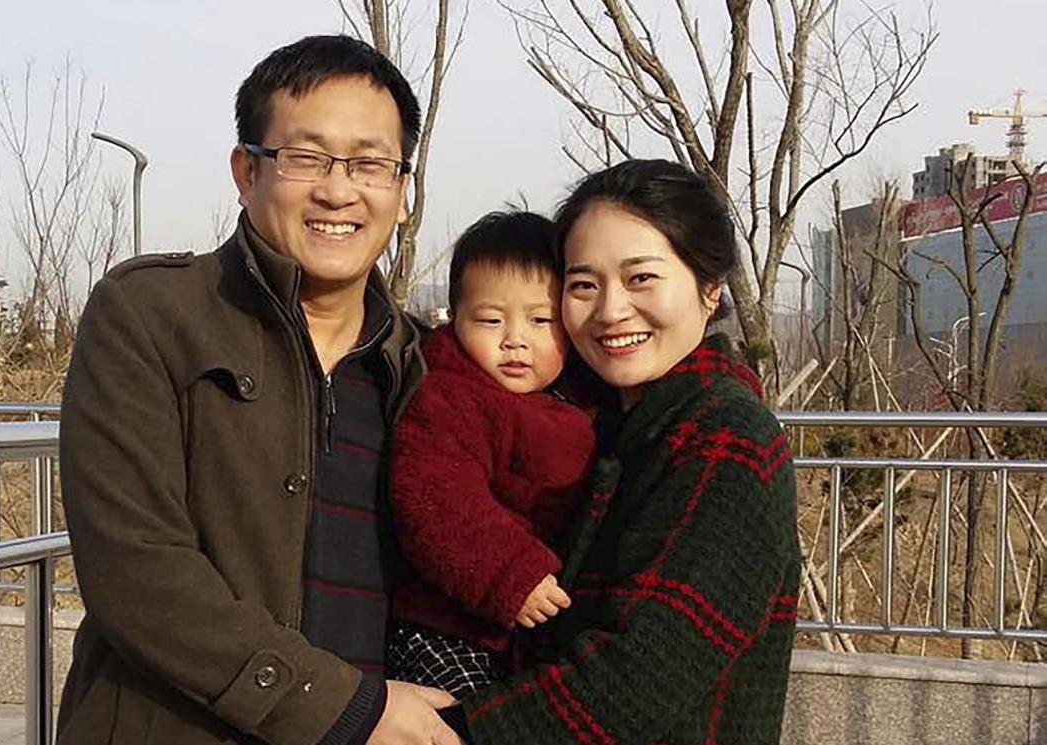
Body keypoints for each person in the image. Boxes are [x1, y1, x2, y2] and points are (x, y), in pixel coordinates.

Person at [56, 35, 463, 745]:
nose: (339, 189)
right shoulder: (151, 315)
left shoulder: (423, 366)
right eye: (304, 157)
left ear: (403, 192)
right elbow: (135, 568)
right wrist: (343, 707)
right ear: (247, 173)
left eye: (370, 163)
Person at [458, 159, 801, 745]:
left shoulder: (726, 439)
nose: (611, 311)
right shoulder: (602, 424)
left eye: (640, 278)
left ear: (709, 287)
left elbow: (635, 680)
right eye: (584, 285)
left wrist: (444, 734)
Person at [385, 211, 596, 697]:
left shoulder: (578, 402)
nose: (514, 339)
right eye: (491, 319)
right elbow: (435, 498)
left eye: (541, 320)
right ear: (454, 320)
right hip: (444, 630)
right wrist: (509, 573)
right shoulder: (450, 398)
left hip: (525, 634)